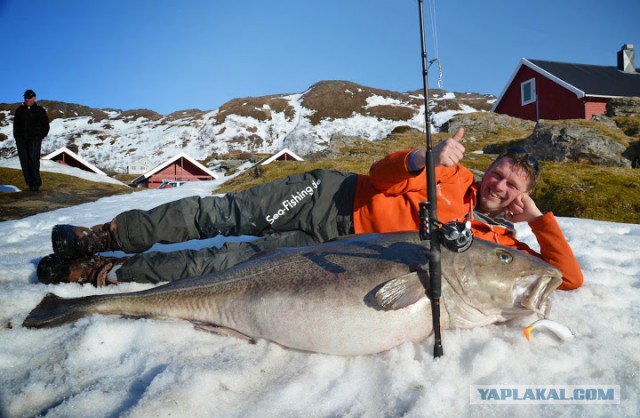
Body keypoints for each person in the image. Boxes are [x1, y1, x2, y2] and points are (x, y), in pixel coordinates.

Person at [37, 128, 583, 290]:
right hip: (329, 197)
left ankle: (104, 272)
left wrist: (537, 218)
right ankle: (102, 235)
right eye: (500, 174)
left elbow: (566, 277)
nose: (500, 186)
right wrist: (424, 156)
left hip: (331, 253)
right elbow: (378, 175)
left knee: (225, 265)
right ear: (488, 171)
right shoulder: (451, 170)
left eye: (513, 187)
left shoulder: (496, 244)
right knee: (220, 216)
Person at [13, 89, 50, 191]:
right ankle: (30, 184)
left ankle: (36, 184)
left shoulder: (40, 110)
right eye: (26, 97)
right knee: (24, 162)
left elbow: (46, 126)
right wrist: (17, 138)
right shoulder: (19, 110)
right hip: (21, 141)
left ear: (34, 98)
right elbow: (16, 126)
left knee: (33, 160)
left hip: (34, 140)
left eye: (29, 97)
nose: (27, 99)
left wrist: (39, 136)